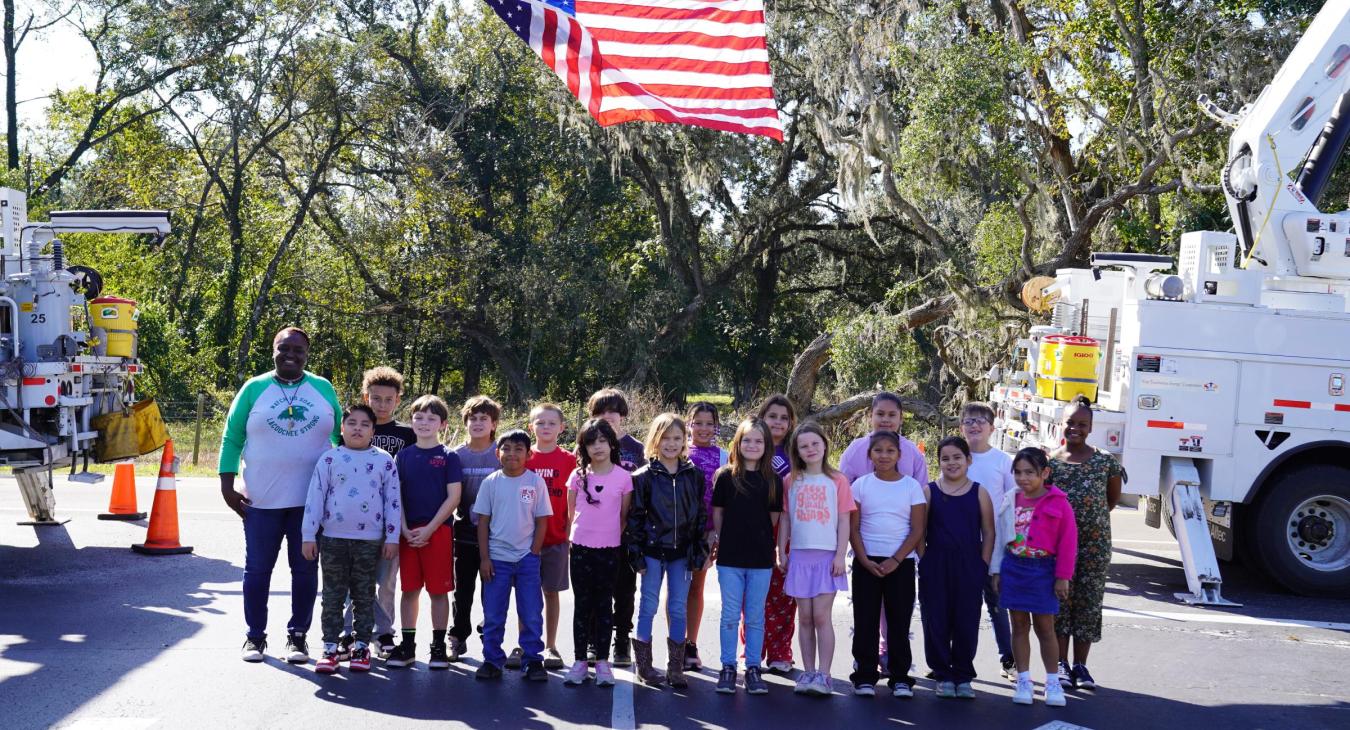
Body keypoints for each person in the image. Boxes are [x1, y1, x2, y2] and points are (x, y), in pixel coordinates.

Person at [220, 326, 342, 664]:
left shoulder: (323, 389)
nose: (290, 354)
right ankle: (254, 637)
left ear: (307, 353)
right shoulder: (254, 389)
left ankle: (297, 637)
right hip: (261, 500)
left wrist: (342, 487)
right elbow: (232, 438)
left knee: (304, 571)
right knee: (258, 570)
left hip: (310, 502)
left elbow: (341, 438)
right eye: (283, 348)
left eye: (298, 350)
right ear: (273, 350)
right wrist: (226, 485)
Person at [300, 404, 401, 674]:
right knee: (332, 595)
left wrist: (392, 537)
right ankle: (330, 648)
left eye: (365, 424)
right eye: (352, 423)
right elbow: (315, 497)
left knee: (364, 595)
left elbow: (392, 501)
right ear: (341, 429)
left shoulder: (384, 460)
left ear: (373, 431)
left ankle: (361, 648)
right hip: (333, 539)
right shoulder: (330, 459)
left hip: (370, 541)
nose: (358, 428)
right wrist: (309, 534)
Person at [990, 447, 1078, 707]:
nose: (1022, 478)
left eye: (1029, 472)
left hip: (1044, 571)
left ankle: (1052, 683)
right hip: (1014, 569)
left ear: (1045, 473)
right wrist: (996, 570)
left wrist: (1063, 577)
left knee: (1045, 628)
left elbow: (1068, 543)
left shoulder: (1059, 502)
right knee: (1018, 626)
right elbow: (998, 537)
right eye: (1017, 472)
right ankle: (1024, 681)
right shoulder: (1010, 499)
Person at [626, 413, 707, 688]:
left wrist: (699, 549)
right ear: (655, 441)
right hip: (651, 551)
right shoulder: (643, 477)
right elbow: (635, 517)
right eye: (665, 438)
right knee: (647, 605)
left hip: (682, 553)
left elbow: (699, 516)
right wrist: (635, 552)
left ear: (685, 441)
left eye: (677, 438)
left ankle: (675, 667)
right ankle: (645, 666)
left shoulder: (694, 475)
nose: (671, 444)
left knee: (678, 607)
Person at [1049, 395, 1124, 691]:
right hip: (1056, 548)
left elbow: (1111, 500)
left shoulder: (1106, 462)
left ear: (1091, 427)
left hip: (1094, 547)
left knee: (1088, 605)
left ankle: (1081, 666)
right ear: (1061, 424)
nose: (1075, 428)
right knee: (1060, 605)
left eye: (1082, 424)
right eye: (1070, 422)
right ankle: (1061, 664)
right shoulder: (1050, 463)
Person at [343, 366, 417, 659]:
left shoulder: (407, 434)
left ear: (398, 400)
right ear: (366, 397)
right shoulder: (356, 426)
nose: (382, 404)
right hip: (354, 520)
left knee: (386, 580)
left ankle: (383, 633)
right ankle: (348, 631)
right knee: (354, 579)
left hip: (390, 519)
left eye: (388, 399)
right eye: (376, 398)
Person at [385, 395, 462, 670]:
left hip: (437, 533)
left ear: (442, 423)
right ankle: (407, 646)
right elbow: (396, 497)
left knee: (439, 593)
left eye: (431, 418)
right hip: (409, 535)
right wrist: (404, 528)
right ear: (412, 421)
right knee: (409, 591)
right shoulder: (402, 456)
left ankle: (438, 647)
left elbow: (453, 497)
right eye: (419, 417)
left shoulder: (449, 457)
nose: (424, 423)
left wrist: (429, 528)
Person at [849, 430, 927, 699]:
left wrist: (896, 560)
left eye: (890, 451)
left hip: (901, 564)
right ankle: (865, 676)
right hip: (866, 562)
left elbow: (917, 529)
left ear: (899, 455)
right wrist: (863, 559)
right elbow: (854, 527)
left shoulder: (911, 487)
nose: (884, 455)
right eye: (878, 450)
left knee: (899, 621)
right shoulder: (860, 485)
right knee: (866, 620)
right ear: (870, 455)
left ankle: (900, 677)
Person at [778, 422, 853, 697]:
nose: (810, 449)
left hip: (826, 558)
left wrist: (839, 555)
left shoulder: (838, 480)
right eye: (803, 445)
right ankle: (808, 672)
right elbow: (785, 517)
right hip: (799, 556)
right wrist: (781, 550)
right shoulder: (791, 480)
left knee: (822, 616)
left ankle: (825, 674)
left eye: (814, 444)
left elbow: (844, 519)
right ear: (796, 450)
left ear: (824, 445)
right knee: (805, 618)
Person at [473, 429, 552, 681]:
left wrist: (534, 552)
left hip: (527, 560)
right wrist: (485, 558)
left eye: (519, 449)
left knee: (530, 613)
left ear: (529, 454)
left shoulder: (536, 482)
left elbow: (541, 521)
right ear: (498, 453)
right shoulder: (491, 483)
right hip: (496, 560)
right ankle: (492, 660)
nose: (512, 454)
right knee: (494, 614)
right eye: (506, 448)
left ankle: (532, 661)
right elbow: (483, 523)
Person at [919, 436, 995, 699]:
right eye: (945, 458)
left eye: (957, 457)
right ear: (938, 462)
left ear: (968, 460)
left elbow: (988, 530)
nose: (951, 463)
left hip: (969, 565)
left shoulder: (979, 492)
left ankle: (963, 675)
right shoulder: (930, 491)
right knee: (936, 620)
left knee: (966, 621)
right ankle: (942, 674)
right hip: (936, 564)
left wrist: (982, 564)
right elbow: (919, 531)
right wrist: (925, 560)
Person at [711, 417, 782, 696]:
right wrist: (723, 537)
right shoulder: (726, 476)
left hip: (761, 560)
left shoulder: (773, 481)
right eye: (747, 440)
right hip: (730, 559)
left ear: (766, 446)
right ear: (738, 443)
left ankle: (753, 667)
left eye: (758, 441)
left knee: (754, 616)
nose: (752, 445)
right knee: (730, 615)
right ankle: (727, 666)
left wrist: (762, 543)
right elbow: (718, 512)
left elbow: (773, 519)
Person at [564, 419, 633, 687]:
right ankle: (580, 661)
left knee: (605, 605)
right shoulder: (577, 476)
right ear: (584, 447)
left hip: (610, 550)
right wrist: (578, 537)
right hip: (580, 548)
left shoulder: (624, 478)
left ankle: (603, 662)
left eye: (603, 440)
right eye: (592, 442)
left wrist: (608, 535)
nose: (598, 446)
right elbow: (571, 514)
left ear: (612, 443)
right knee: (582, 605)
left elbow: (624, 516)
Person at [587, 387, 645, 667]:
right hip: (594, 532)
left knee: (624, 590)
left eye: (613, 411)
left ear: (622, 415)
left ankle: (621, 640)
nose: (607, 417)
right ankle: (593, 640)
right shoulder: (586, 445)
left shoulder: (637, 448)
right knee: (595, 588)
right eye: (600, 412)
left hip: (626, 533)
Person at [960, 402, 1017, 679]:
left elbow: (1011, 504)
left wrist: (1010, 545)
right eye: (969, 421)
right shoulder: (957, 456)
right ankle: (956, 659)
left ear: (992, 428)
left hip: (994, 544)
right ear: (961, 427)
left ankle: (1008, 658)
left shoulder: (1003, 461)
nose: (974, 425)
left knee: (997, 604)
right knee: (961, 605)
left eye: (981, 420)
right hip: (962, 543)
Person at [525, 403, 579, 670]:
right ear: (530, 426)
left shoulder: (569, 460)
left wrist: (569, 533)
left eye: (551, 423)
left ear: (562, 428)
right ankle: (527, 645)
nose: (545, 427)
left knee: (551, 593)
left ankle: (551, 645)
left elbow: (575, 501)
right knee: (526, 595)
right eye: (540, 422)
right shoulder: (524, 457)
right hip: (524, 540)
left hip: (556, 538)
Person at [449, 395, 503, 662]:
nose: (478, 423)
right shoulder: (456, 455)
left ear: (494, 424)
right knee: (463, 590)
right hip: (465, 535)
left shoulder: (501, 454)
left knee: (491, 590)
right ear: (466, 422)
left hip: (497, 537)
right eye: (473, 418)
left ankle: (490, 637)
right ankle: (457, 637)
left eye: (484, 419)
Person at [754, 393, 798, 673]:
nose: (778, 422)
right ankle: (753, 650)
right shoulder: (752, 444)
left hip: (790, 527)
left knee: (784, 593)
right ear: (762, 418)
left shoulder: (797, 451)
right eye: (773, 416)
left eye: (784, 418)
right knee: (755, 591)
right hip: (755, 526)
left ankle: (781, 651)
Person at [684, 401, 728, 671]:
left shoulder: (724, 456)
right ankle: (675, 645)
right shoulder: (679, 450)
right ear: (688, 424)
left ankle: (692, 644)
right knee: (676, 589)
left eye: (708, 423)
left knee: (696, 588)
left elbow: (726, 500)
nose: (702, 428)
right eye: (697, 422)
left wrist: (718, 537)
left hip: (707, 532)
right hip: (677, 531)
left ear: (716, 427)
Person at [839, 392, 928, 484]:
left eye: (892, 415)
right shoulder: (855, 450)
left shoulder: (912, 452)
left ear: (901, 419)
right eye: (880, 414)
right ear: (871, 416)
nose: (885, 419)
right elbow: (842, 489)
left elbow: (921, 490)